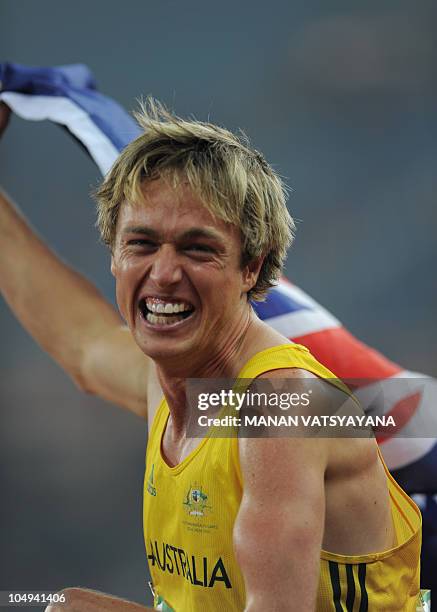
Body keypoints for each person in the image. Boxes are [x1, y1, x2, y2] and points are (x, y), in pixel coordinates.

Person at [0, 100, 421, 611]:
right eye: (142, 243)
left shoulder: (278, 405)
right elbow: (82, 344)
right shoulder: (180, 382)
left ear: (252, 267)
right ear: (113, 253)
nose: (164, 274)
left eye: (197, 248)